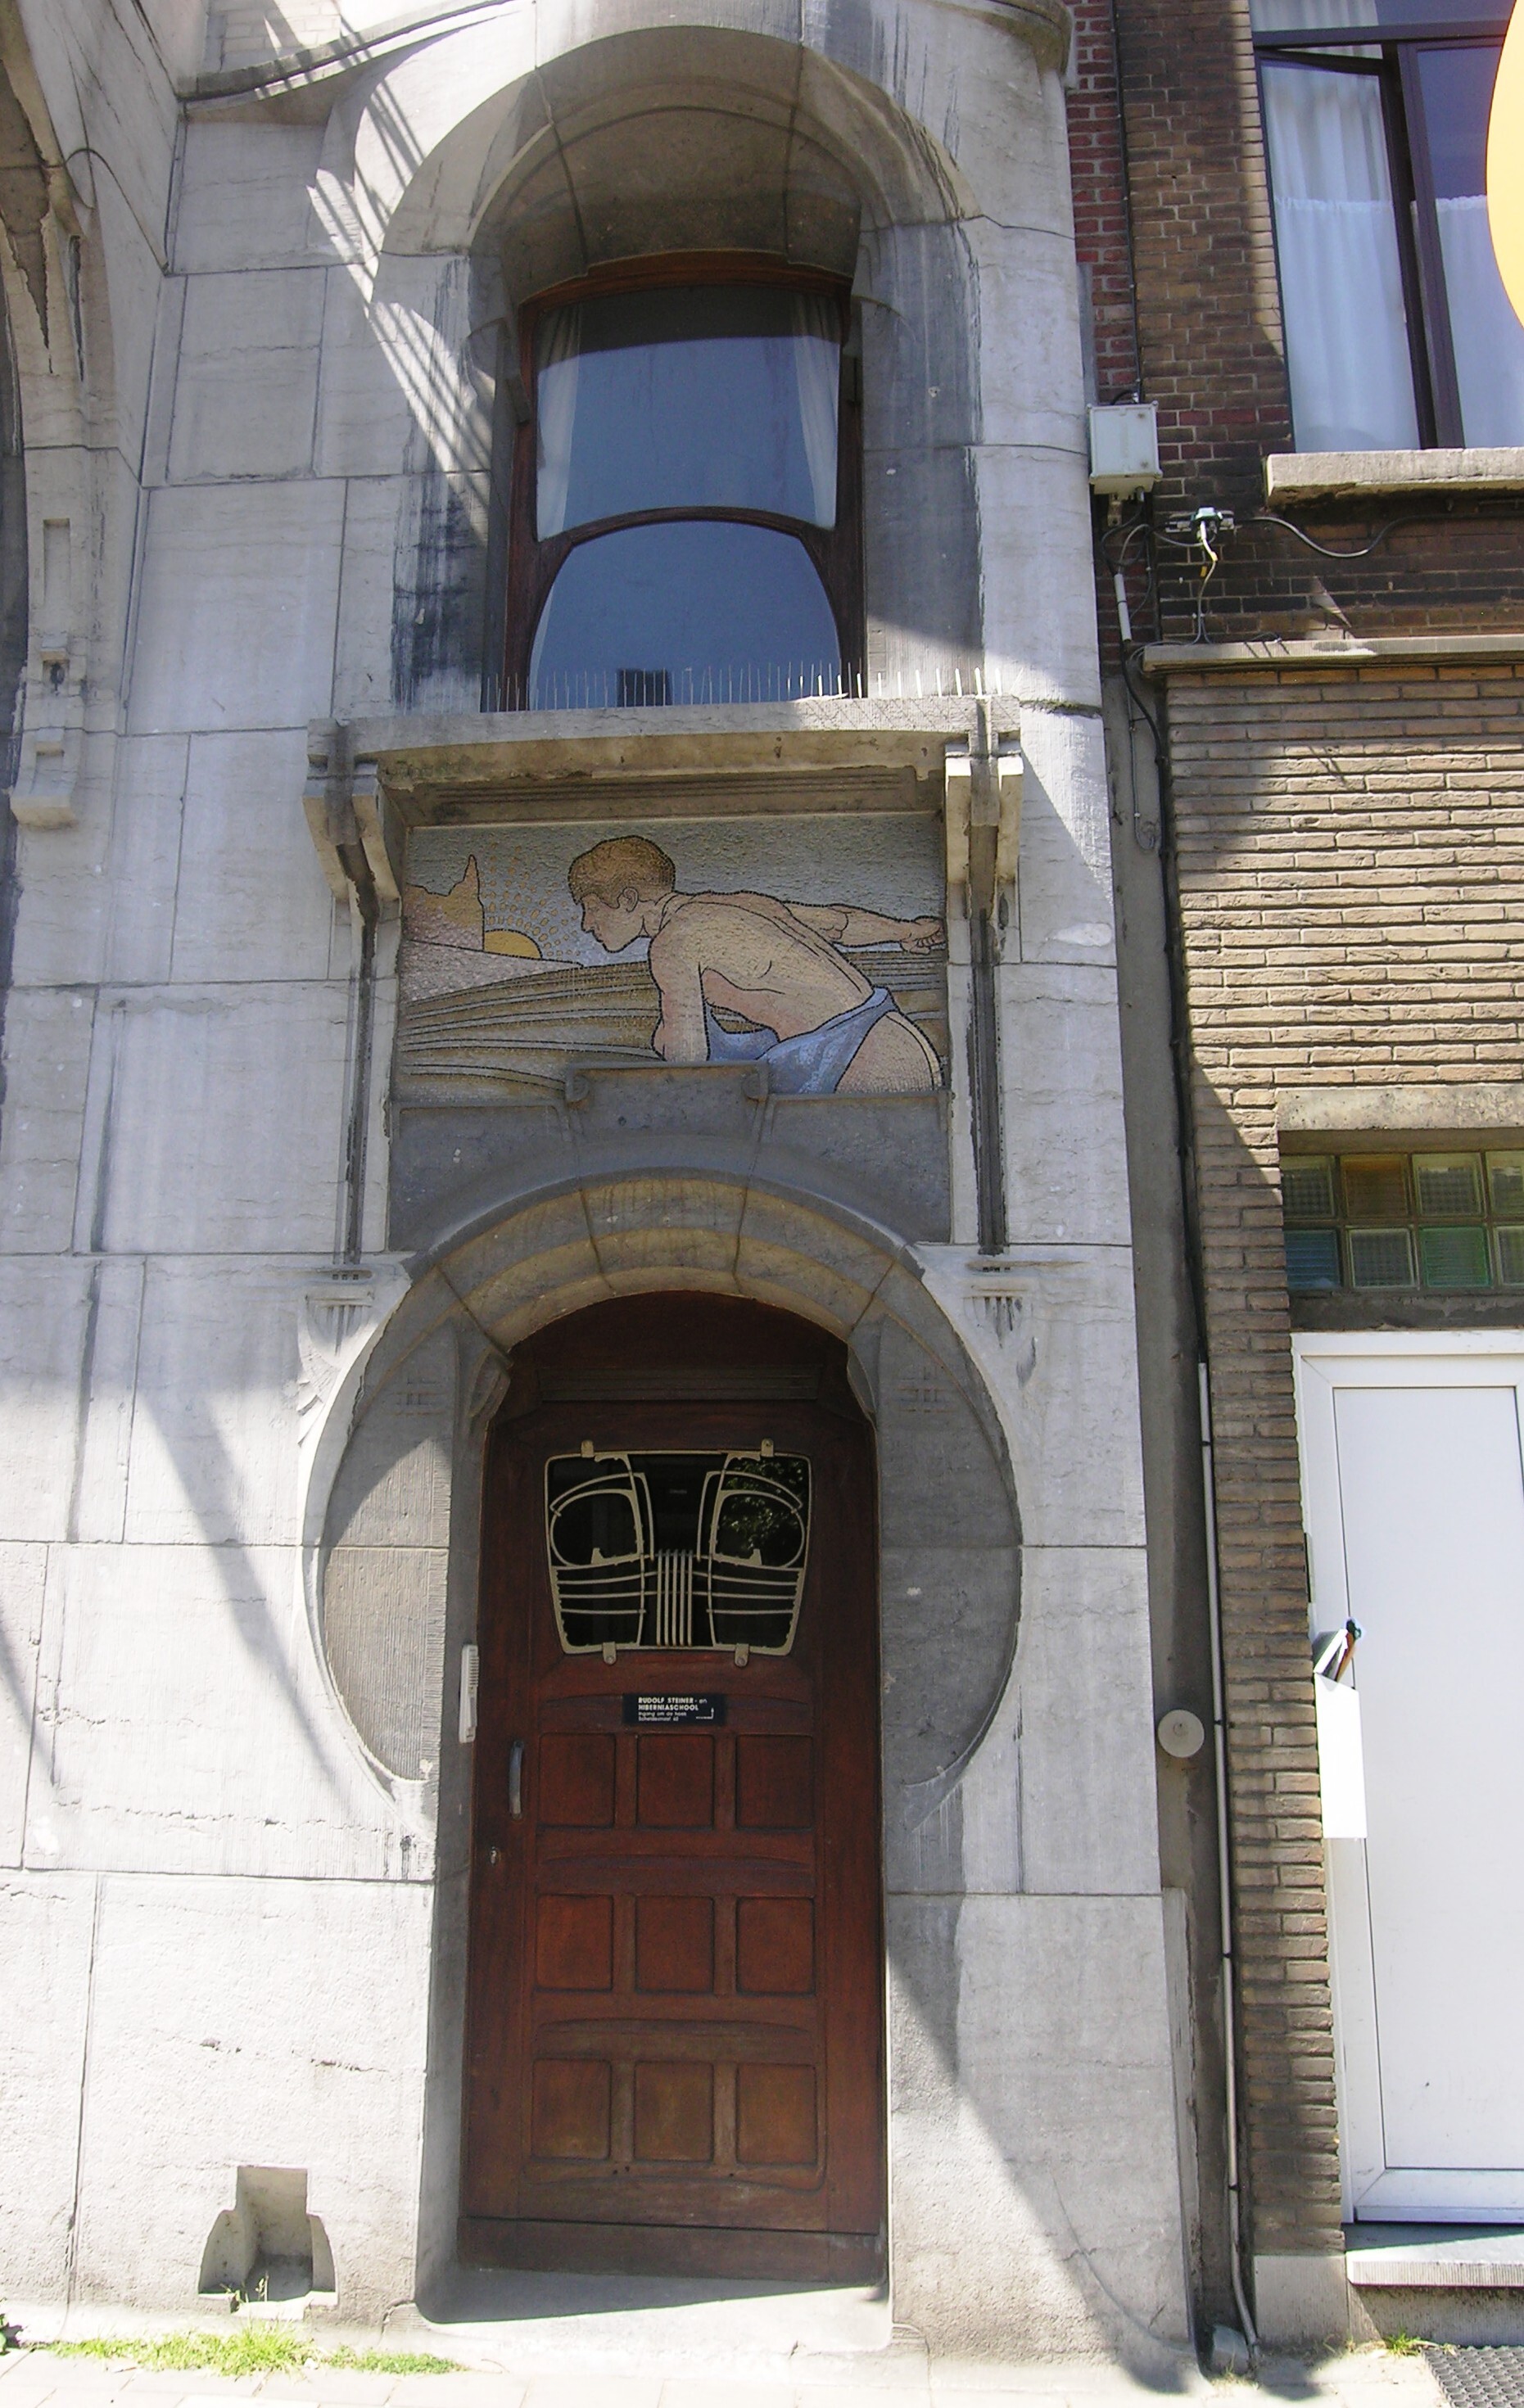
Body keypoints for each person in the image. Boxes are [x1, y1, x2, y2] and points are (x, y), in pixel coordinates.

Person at [567, 834, 943, 1095]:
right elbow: (838, 924)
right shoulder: (743, 903)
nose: (587, 924)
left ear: (628, 899)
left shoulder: (672, 944)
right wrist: (907, 931)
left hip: (857, 1062)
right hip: (898, 1039)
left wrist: (663, 1043)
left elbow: (688, 1063)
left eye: (591, 908)